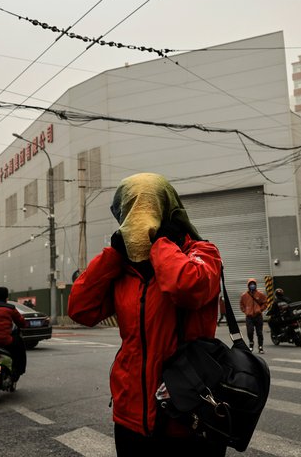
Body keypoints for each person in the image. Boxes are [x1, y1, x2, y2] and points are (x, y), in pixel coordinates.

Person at [67, 173, 225, 456]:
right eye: (132, 209)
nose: (142, 217)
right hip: (131, 414)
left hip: (189, 414)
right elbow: (81, 309)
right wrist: (113, 255)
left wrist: (164, 243)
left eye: (150, 206)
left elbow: (187, 286)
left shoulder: (202, 253)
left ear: (168, 209)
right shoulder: (122, 270)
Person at [240, 278, 267, 354]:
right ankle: (251, 344)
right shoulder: (244, 295)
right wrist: (246, 311)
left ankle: (260, 347)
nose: (252, 285)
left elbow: (265, 303)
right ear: (248, 285)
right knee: (250, 331)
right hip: (249, 317)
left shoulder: (260, 294)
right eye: (251, 284)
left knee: (259, 333)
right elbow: (241, 305)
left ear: (255, 285)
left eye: (253, 284)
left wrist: (260, 309)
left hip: (258, 316)